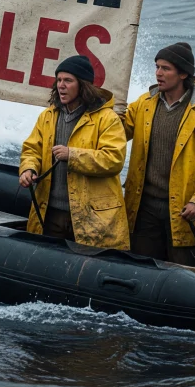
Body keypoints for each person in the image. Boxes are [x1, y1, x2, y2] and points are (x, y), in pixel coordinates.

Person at [121, 42, 195, 264]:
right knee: (143, 270)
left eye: (165, 68)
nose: (158, 73)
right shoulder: (144, 104)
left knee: (183, 273)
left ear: (183, 74)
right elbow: (116, 134)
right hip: (144, 207)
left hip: (184, 210)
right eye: (157, 67)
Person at [18, 55, 129, 249]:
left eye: (68, 80)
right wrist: (28, 169)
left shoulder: (107, 118)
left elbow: (114, 159)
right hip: (50, 213)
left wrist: (73, 155)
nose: (61, 85)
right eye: (59, 80)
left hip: (90, 218)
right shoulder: (48, 115)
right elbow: (31, 149)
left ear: (83, 85)